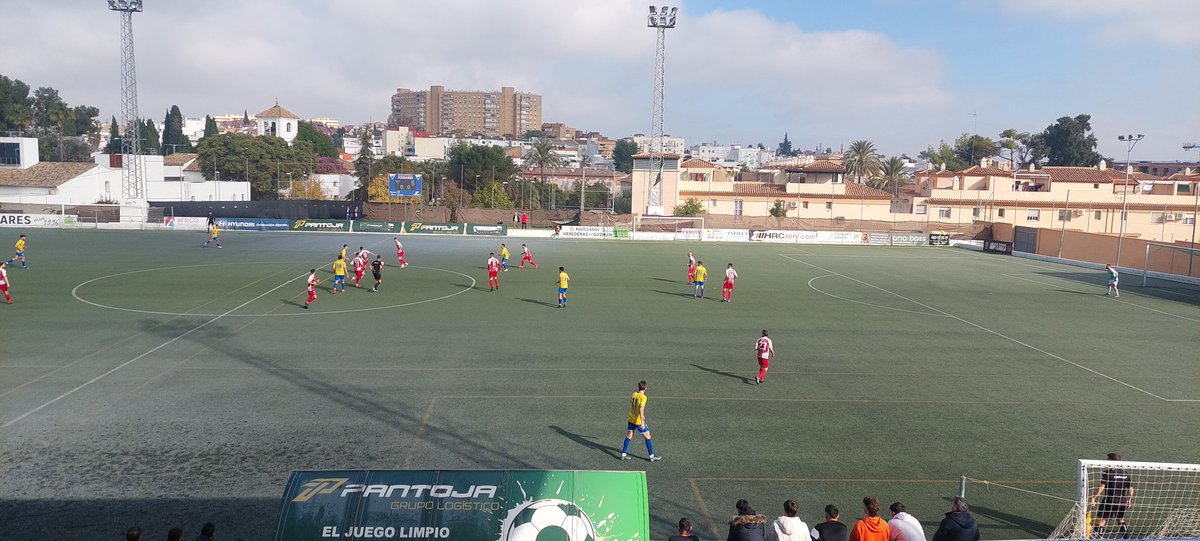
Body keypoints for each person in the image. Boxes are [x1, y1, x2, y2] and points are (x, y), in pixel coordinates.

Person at [1091, 453, 1133, 537]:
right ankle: (1127, 538)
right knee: (1120, 519)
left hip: (1109, 501)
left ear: (1111, 461)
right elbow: (1131, 489)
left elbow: (1101, 487)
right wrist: (1129, 500)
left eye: (1107, 460)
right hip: (1122, 501)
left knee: (1101, 520)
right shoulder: (1125, 473)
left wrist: (1093, 498)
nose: (1106, 461)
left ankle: (1096, 538)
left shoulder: (1108, 473)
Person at [620, 380, 661, 462]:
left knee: (629, 435)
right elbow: (641, 409)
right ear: (646, 388)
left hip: (631, 419)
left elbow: (633, 405)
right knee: (648, 436)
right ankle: (651, 456)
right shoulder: (644, 397)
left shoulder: (634, 394)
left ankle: (623, 455)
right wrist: (642, 422)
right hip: (638, 421)